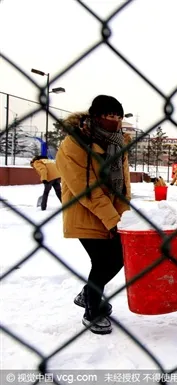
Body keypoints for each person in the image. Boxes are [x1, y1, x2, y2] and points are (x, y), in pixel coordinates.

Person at [55, 95, 131, 335]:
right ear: (96, 116)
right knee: (104, 261)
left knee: (119, 257)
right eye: (110, 116)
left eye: (119, 116)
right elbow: (88, 190)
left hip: (111, 212)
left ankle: (88, 294)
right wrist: (114, 221)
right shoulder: (74, 144)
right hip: (85, 212)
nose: (116, 121)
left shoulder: (119, 143)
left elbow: (123, 186)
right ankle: (91, 310)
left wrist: (124, 218)